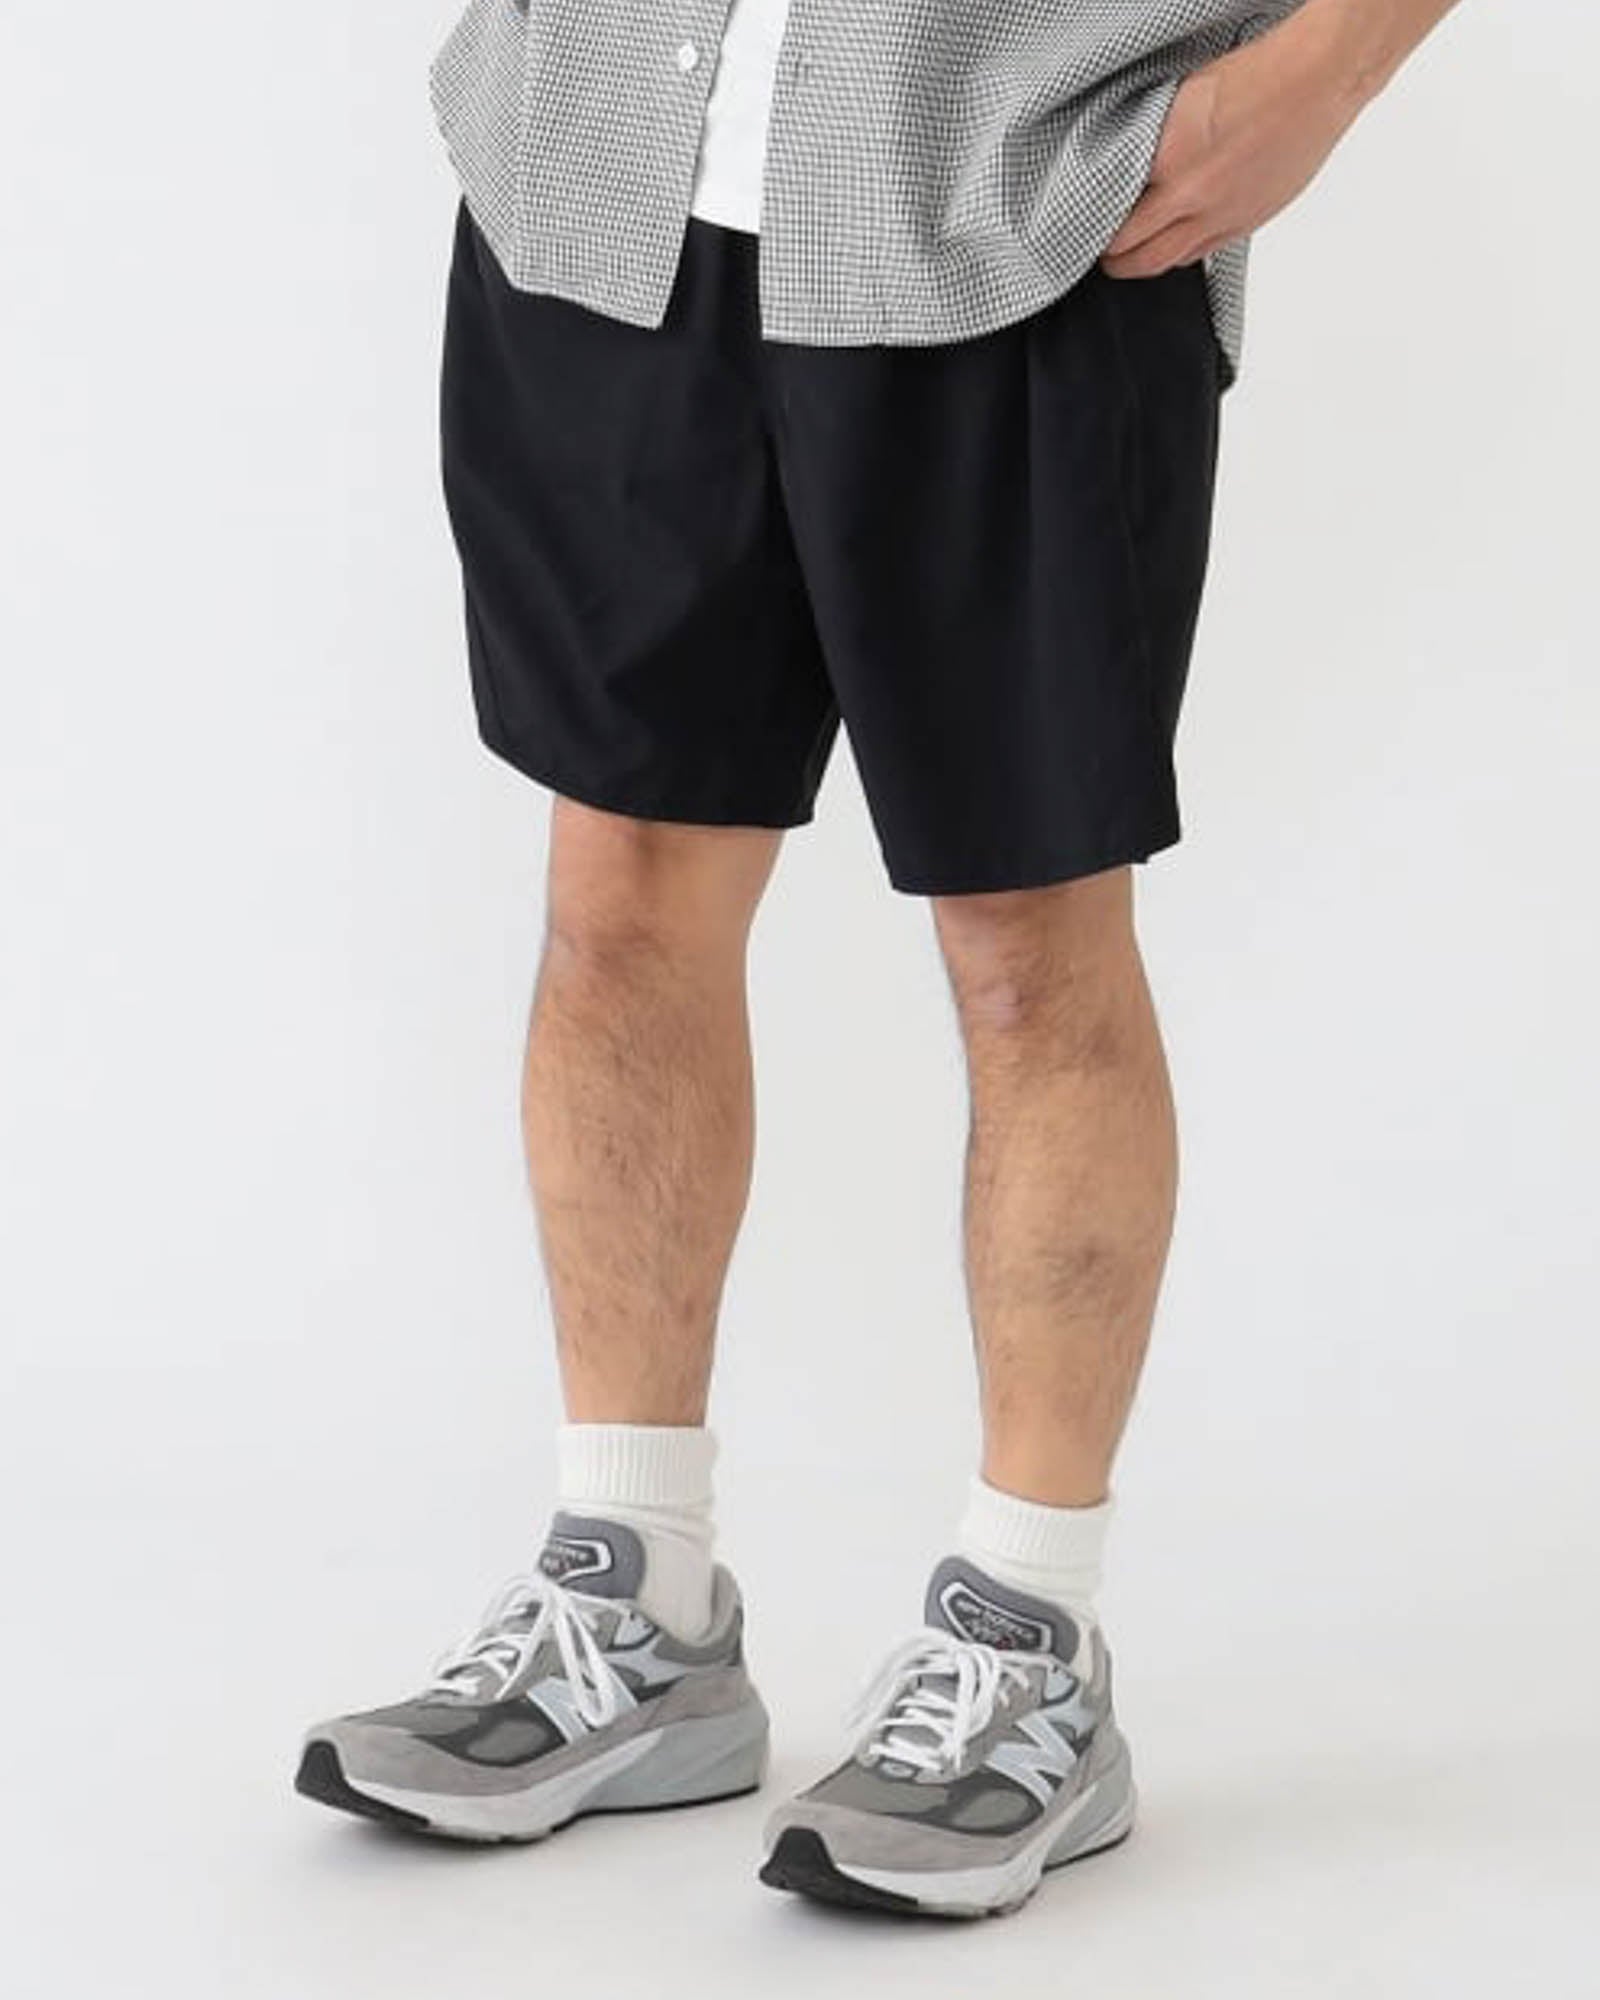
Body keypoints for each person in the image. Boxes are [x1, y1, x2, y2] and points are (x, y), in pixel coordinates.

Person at [297, 0, 1463, 1917]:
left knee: (1027, 944)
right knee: (618, 892)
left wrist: (1323, 72)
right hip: (606, 170)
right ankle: (638, 1599)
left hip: (1017, 198)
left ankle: (1030, 1638)